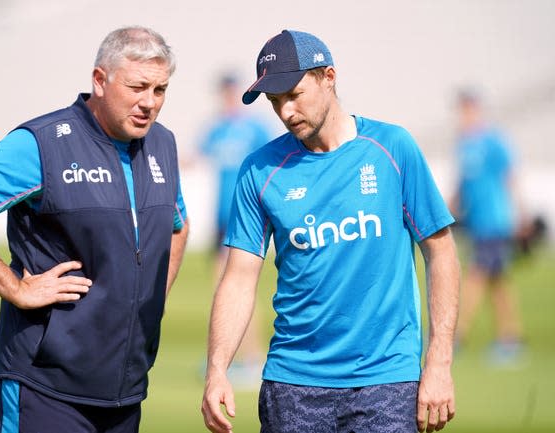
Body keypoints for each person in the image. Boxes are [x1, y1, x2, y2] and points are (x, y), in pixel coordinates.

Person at [0, 26, 189, 433]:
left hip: (126, 388)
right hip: (45, 386)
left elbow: (177, 225)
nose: (149, 103)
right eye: (138, 87)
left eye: (160, 90)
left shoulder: (162, 144)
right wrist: (14, 287)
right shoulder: (44, 143)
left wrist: (150, 300)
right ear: (100, 80)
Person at [201, 30, 459, 433]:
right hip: (293, 385)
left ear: (328, 76)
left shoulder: (393, 147)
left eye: (294, 94)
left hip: (386, 381)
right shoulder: (260, 170)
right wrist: (217, 369)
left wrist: (439, 363)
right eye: (275, 101)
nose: (286, 111)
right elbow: (238, 278)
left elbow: (441, 252)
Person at [198, 72, 273, 388]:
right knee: (222, 287)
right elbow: (198, 156)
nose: (227, 98)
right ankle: (228, 357)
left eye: (230, 92)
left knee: (238, 285)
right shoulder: (216, 129)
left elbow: (272, 163)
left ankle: (251, 358)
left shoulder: (254, 128)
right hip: (220, 216)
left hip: (245, 214)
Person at [451, 89, 524, 364]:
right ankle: (511, 338)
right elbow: (463, 182)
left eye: (468, 109)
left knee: (476, 276)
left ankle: (458, 334)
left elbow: (510, 176)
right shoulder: (462, 143)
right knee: (497, 283)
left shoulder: (493, 141)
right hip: (477, 221)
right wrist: (452, 205)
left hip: (494, 220)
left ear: (477, 110)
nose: (465, 115)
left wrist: (520, 214)